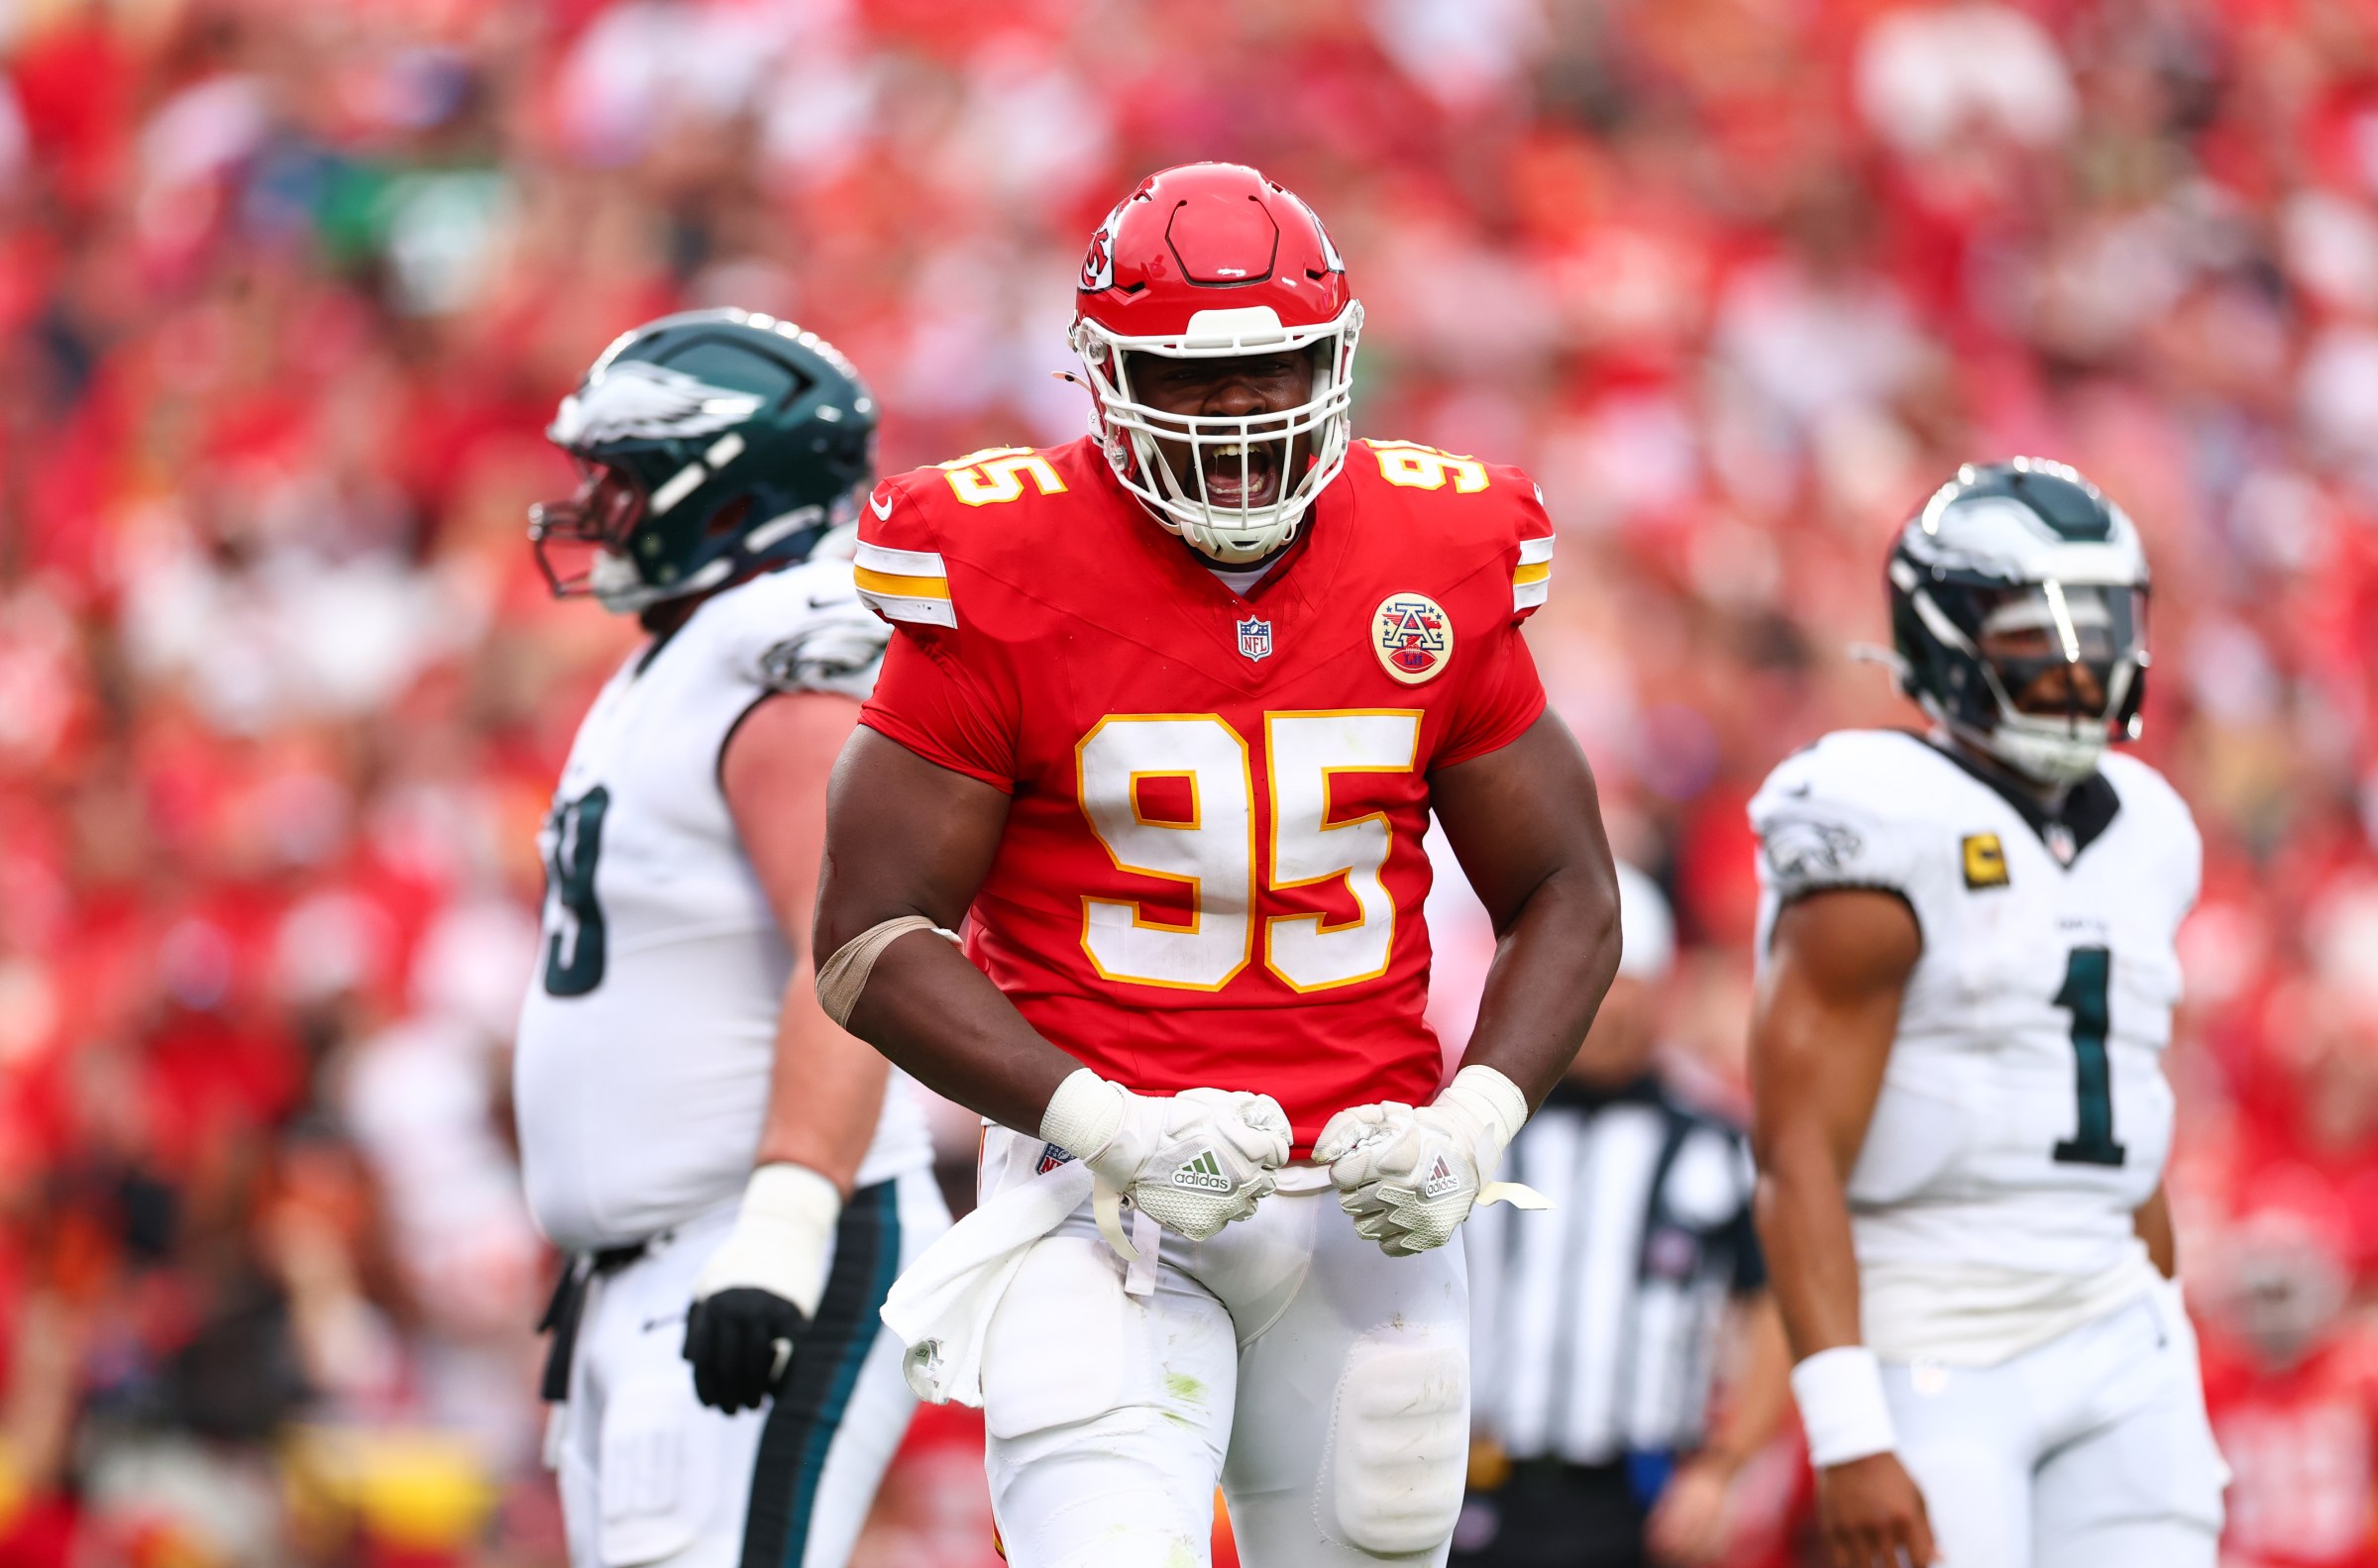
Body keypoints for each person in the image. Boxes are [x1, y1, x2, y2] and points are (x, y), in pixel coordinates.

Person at [811, 161, 1624, 1568]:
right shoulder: (996, 558)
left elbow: (1570, 887)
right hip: (1101, 1201)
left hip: (1372, 1196)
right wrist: (1106, 1117)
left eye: (1279, 370)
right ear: (1102, 378)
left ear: (1340, 355)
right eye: (1192, 384)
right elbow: (867, 935)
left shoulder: (1438, 548)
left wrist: (1475, 1121)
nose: (1242, 415)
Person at [512, 310, 948, 1568]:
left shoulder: (777, 648)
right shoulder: (683, 654)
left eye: (624, 473)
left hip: (750, 1249)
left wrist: (782, 1224)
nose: (596, 504)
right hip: (650, 1271)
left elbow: (855, 951)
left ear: (724, 485)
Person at [1746, 459, 2227, 1568]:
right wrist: (1849, 1426)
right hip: (1937, 1332)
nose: (2078, 663)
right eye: (2033, 632)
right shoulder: (1877, 811)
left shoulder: (2153, 825)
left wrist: (2168, 1312)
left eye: (2100, 626)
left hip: (2120, 1326)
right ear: (1945, 637)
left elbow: (2121, 1107)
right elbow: (1796, 1151)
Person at [1458, 863, 1790, 1568]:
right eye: (1596, 990)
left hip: (1639, 1499)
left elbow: (1776, 1305)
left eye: (1628, 990)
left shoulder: (1713, 1144)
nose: (1611, 1011)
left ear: (1663, 996)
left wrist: (1723, 1466)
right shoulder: (1472, 1137)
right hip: (1476, 1483)